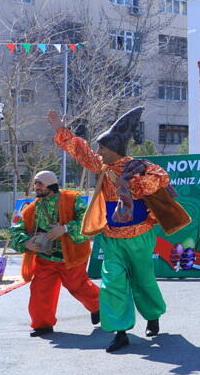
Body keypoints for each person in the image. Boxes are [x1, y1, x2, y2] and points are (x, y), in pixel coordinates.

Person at [48, 107, 191, 352]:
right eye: (100, 148)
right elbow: (82, 153)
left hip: (140, 235)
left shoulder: (141, 167)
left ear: (115, 149)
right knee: (112, 282)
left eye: (103, 148)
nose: (99, 152)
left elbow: (161, 181)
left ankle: (153, 315)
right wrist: (62, 131)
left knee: (143, 279)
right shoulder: (103, 167)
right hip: (112, 237)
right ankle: (120, 331)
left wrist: (131, 180)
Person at [9, 170, 101, 337]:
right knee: (40, 290)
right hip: (46, 257)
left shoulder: (73, 199)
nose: (36, 187)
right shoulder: (31, 209)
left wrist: (65, 228)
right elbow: (16, 231)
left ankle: (99, 306)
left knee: (78, 286)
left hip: (71, 255)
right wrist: (26, 242)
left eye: (40, 183)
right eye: (35, 183)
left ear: (51, 184)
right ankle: (42, 324)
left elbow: (88, 219)